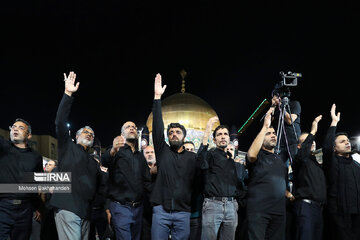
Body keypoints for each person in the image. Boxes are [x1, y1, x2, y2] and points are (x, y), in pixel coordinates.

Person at [49, 71, 107, 240]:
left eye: (92, 134)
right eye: (85, 132)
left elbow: (101, 188)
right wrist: (68, 94)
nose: (89, 134)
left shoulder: (93, 162)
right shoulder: (67, 147)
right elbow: (60, 122)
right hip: (67, 208)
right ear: (76, 136)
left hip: (85, 213)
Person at [151, 73, 198, 239]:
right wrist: (157, 98)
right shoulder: (163, 151)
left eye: (178, 132)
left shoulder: (192, 158)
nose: (174, 135)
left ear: (184, 137)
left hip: (183, 212)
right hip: (161, 210)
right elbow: (157, 128)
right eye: (170, 133)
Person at [198, 116, 246, 240]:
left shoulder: (232, 160)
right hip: (213, 205)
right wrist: (207, 132)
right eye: (219, 134)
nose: (223, 136)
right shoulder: (210, 154)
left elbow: (239, 183)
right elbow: (201, 163)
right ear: (214, 140)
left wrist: (237, 203)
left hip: (231, 206)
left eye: (225, 134)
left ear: (229, 138)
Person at [102, 121, 151, 240]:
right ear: (121, 133)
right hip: (121, 207)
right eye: (128, 127)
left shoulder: (140, 156)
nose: (132, 128)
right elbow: (105, 160)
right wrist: (113, 149)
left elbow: (146, 181)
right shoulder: (117, 151)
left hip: (138, 208)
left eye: (134, 127)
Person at [246, 107, 288, 240]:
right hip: (259, 210)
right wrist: (265, 127)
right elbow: (251, 155)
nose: (273, 135)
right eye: (269, 134)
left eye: (274, 133)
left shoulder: (279, 159)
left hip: (279, 211)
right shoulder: (258, 156)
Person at [0, 118, 43, 240]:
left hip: (25, 210)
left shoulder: (35, 157)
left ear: (29, 135)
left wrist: (37, 207)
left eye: (20, 127)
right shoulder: (3, 148)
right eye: (13, 127)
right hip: (3, 207)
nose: (15, 129)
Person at [322, 104, 360, 240]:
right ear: (335, 148)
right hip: (338, 217)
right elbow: (326, 148)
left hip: (357, 217)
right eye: (342, 141)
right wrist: (334, 122)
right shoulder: (333, 162)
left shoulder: (356, 166)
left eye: (348, 140)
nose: (347, 142)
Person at [292, 115, 326, 240]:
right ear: (300, 146)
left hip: (319, 209)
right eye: (307, 141)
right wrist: (312, 131)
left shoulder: (317, 164)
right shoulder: (299, 160)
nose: (312, 142)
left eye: (312, 140)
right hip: (305, 208)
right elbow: (302, 155)